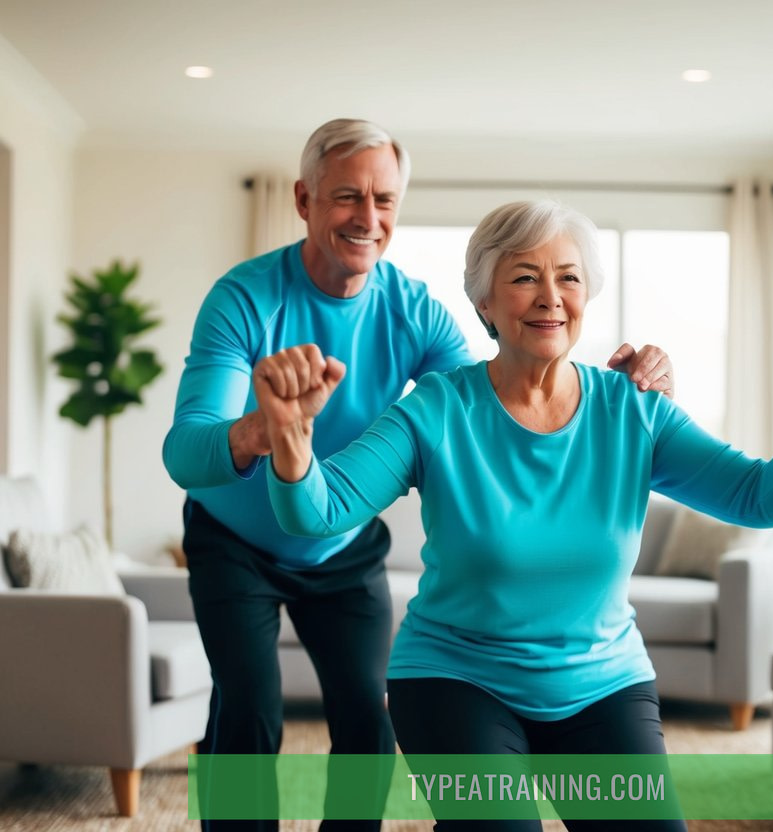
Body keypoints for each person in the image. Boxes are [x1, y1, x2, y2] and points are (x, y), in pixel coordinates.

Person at [252, 199, 773, 831]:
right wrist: (293, 436)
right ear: (484, 302)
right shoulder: (436, 409)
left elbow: (760, 500)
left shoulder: (633, 410)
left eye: (568, 277)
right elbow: (318, 511)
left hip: (602, 683)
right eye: (524, 277)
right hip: (456, 679)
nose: (550, 296)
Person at [162, 122, 677, 832]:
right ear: (304, 198)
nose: (367, 219)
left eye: (384, 200)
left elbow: (487, 411)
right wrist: (266, 428)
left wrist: (602, 406)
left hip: (341, 543)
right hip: (235, 539)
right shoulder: (245, 298)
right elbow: (184, 452)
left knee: (366, 720)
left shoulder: (414, 313)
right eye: (347, 197)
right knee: (248, 706)